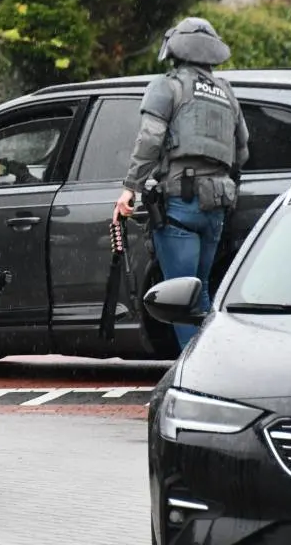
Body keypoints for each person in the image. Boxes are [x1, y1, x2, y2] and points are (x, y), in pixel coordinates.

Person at [113, 17, 249, 349]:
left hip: (180, 204)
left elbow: (150, 139)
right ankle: (210, 367)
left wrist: (130, 187)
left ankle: (192, 375)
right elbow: (242, 149)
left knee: (178, 296)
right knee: (199, 290)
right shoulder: (226, 92)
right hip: (216, 204)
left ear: (176, 51)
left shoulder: (167, 86)